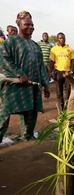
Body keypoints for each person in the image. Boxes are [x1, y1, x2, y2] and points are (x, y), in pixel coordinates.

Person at [0, 11, 50, 147]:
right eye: (27, 24)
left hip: (32, 86)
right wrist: (19, 74)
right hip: (13, 86)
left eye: (32, 24)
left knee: (31, 111)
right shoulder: (11, 42)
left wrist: (46, 85)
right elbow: (3, 60)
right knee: (4, 114)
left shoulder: (35, 46)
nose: (30, 27)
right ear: (19, 24)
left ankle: (27, 138)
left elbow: (41, 67)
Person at [49, 32, 74, 111]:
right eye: (60, 38)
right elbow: (52, 62)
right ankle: (61, 108)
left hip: (67, 73)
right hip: (58, 72)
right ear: (57, 39)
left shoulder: (69, 49)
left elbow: (72, 60)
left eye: (63, 38)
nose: (62, 39)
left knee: (68, 91)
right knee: (59, 92)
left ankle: (67, 108)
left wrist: (71, 70)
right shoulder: (54, 49)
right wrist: (50, 72)